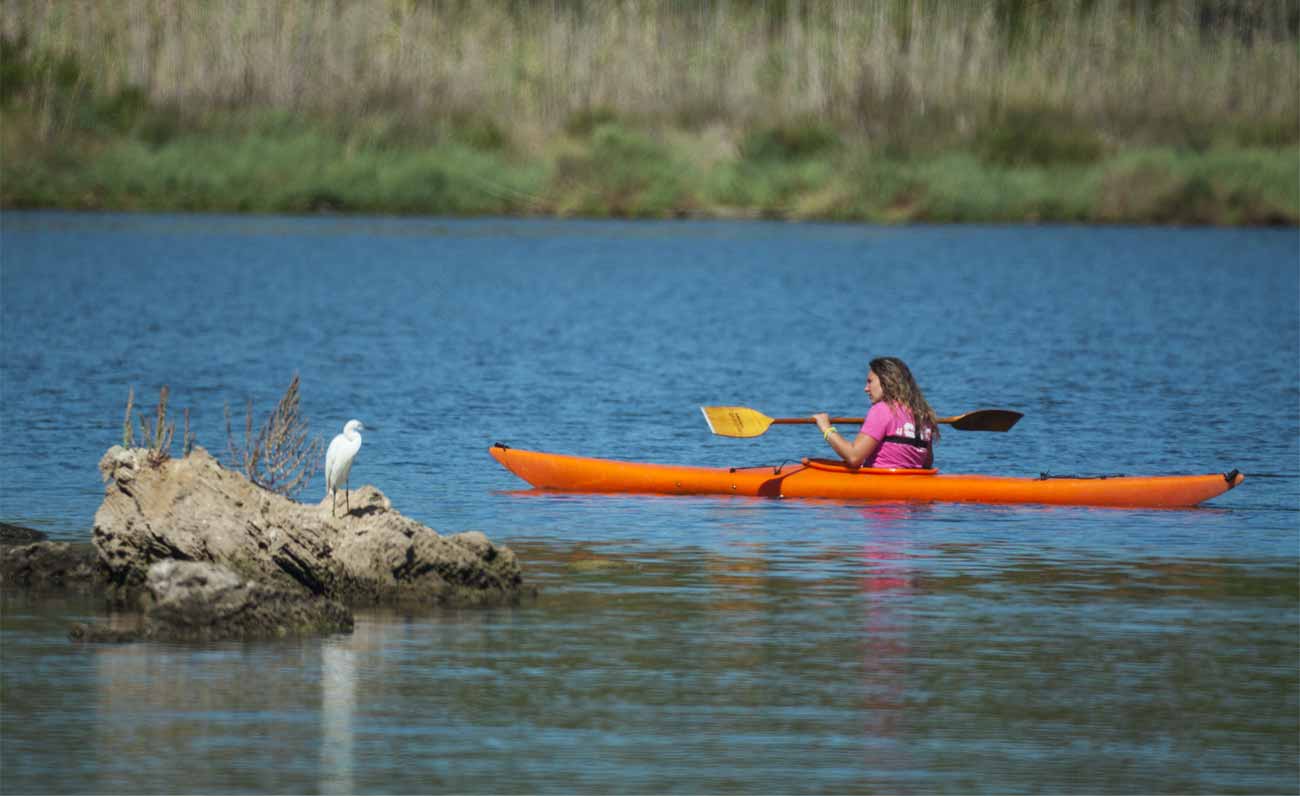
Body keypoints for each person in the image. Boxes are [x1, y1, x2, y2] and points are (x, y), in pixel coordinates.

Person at [812, 357, 938, 469]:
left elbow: (854, 457)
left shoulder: (882, 409)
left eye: (870, 381)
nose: (866, 388)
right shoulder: (923, 413)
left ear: (887, 381)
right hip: (912, 483)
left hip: (881, 485)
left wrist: (826, 428)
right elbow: (926, 463)